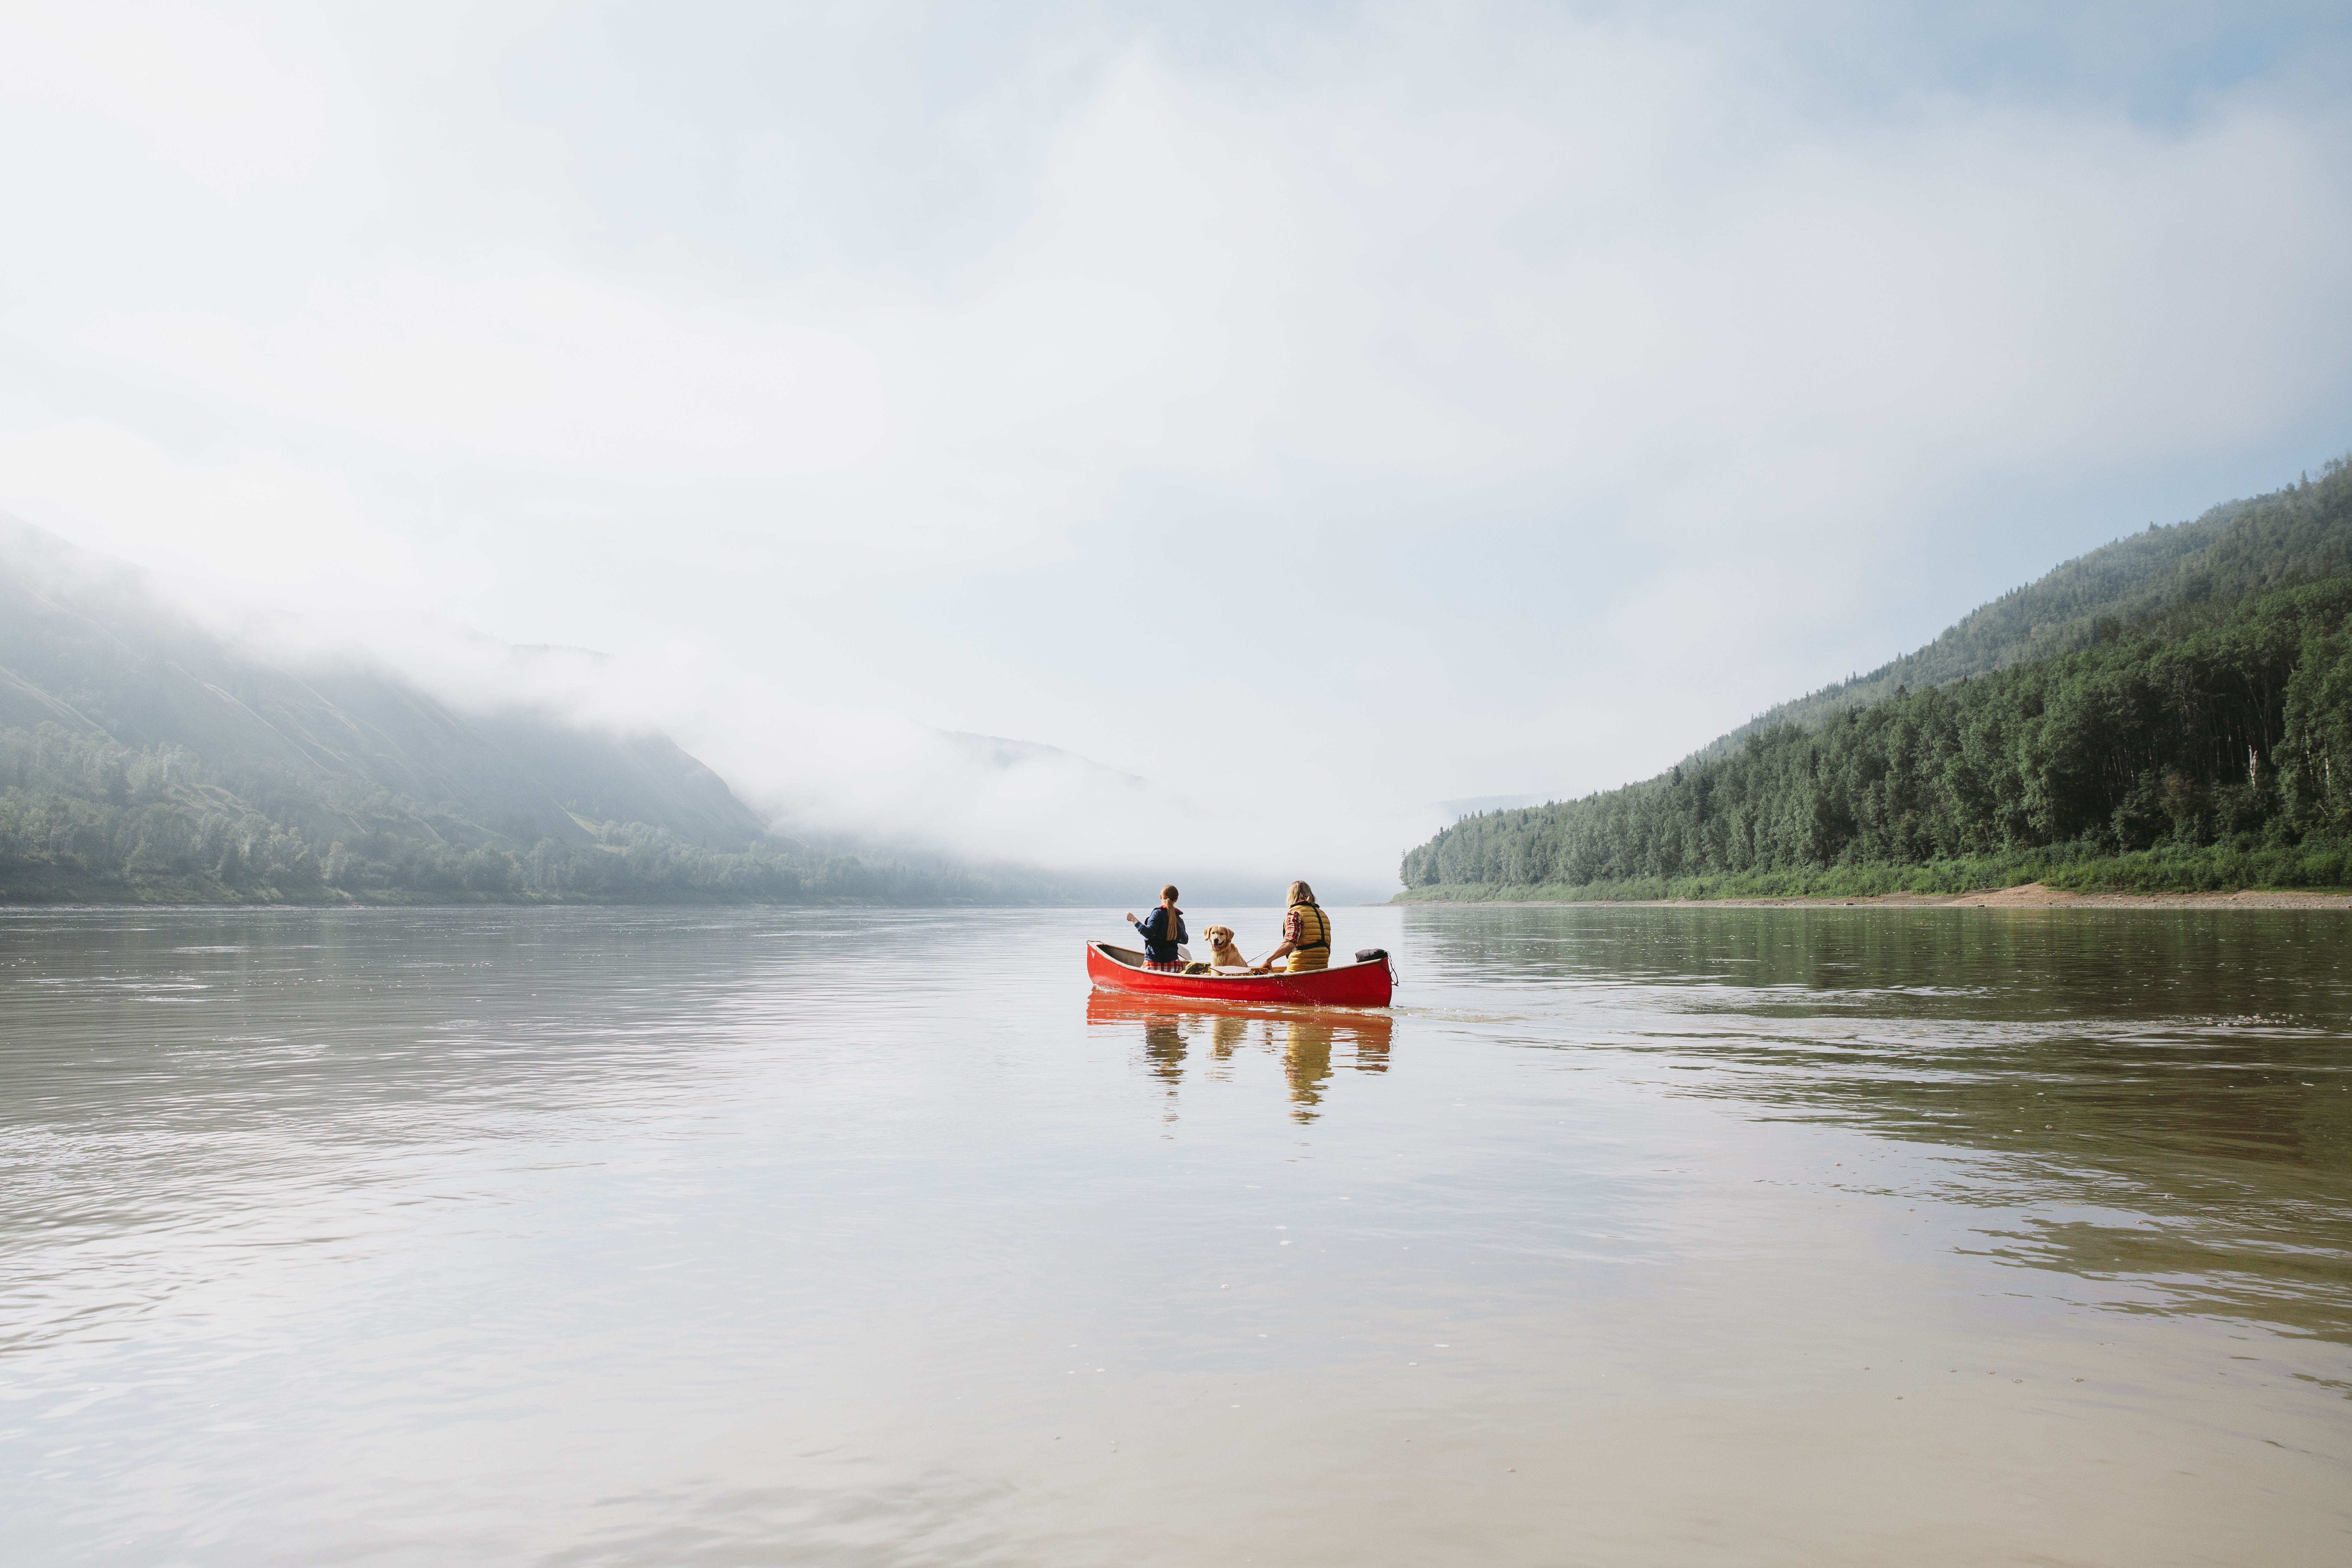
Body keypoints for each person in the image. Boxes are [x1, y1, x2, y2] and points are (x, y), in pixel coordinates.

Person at [1256, 879, 1332, 972]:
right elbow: (1328, 949)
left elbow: (1290, 944)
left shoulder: (1295, 914)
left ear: (1291, 896)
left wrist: (1269, 960)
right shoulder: (1323, 915)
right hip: (1322, 969)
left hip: (1299, 969)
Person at [1124, 885, 1189, 971]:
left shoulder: (1157, 914)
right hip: (1174, 966)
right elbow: (1185, 940)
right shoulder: (1178, 918)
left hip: (1153, 964)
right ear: (1176, 900)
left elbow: (1148, 933)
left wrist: (1133, 919)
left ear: (1161, 897)